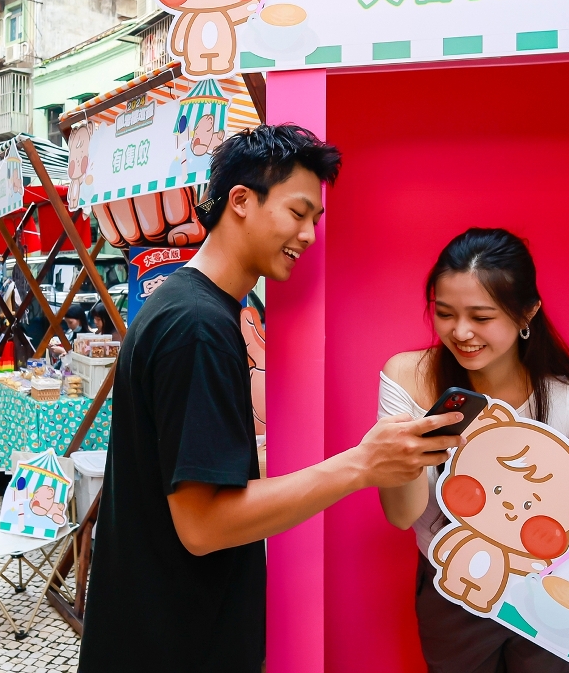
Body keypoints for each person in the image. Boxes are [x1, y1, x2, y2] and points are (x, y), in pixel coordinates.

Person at [79, 125, 467, 671]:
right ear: (240, 200)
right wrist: (361, 465)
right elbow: (203, 526)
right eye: (297, 212)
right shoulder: (198, 326)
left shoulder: (190, 309)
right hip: (176, 646)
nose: (308, 235)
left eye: (315, 220)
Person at [377, 228, 569, 673]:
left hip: (546, 590)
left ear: (527, 312)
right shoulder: (407, 378)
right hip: (455, 587)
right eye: (445, 313)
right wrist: (416, 445)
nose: (460, 332)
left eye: (482, 316)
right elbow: (402, 515)